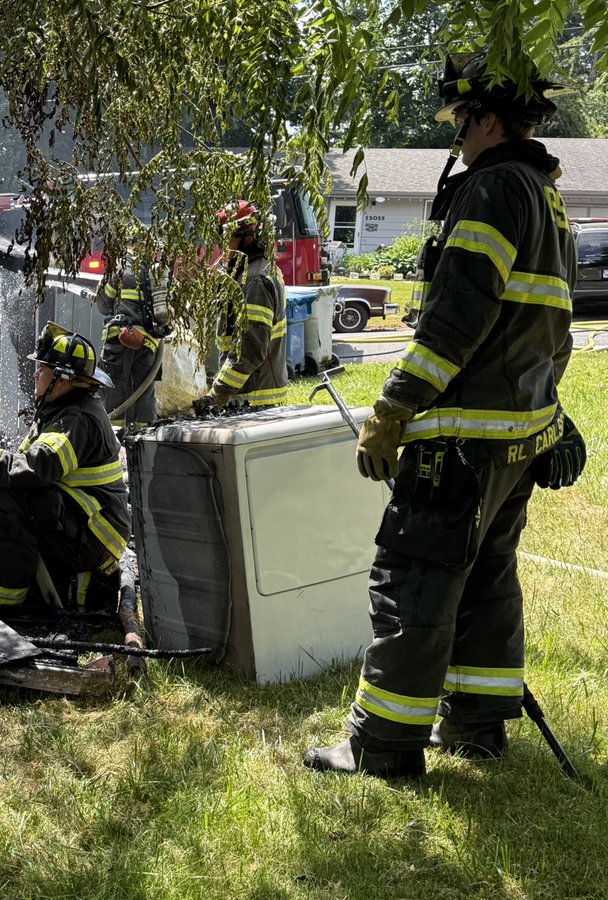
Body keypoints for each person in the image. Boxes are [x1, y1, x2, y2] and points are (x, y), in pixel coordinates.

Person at [304, 52, 587, 778]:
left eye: (462, 123)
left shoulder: (492, 190)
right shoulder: (546, 199)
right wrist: (550, 414)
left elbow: (458, 317)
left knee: (415, 582)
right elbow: (551, 327)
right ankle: (477, 728)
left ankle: (384, 748)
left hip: (457, 441)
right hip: (515, 438)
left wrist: (394, 405)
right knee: (488, 581)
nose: (456, 138)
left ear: (490, 120)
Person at [0, 322, 130, 612]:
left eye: (43, 368)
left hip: (97, 535)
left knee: (11, 500)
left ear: (63, 378)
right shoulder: (65, 408)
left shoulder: (75, 419)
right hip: (90, 523)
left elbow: (33, 469)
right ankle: (27, 591)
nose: (35, 373)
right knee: (23, 498)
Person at [196, 200, 288, 410]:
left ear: (247, 240)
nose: (221, 247)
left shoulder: (254, 280)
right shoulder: (254, 272)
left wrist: (218, 393)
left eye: (226, 239)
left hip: (253, 399)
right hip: (249, 393)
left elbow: (249, 348)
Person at [94, 257, 169, 427]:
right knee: (145, 393)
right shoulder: (157, 270)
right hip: (149, 342)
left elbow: (103, 305)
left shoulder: (119, 267)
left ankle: (115, 440)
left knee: (113, 390)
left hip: (119, 339)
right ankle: (146, 440)